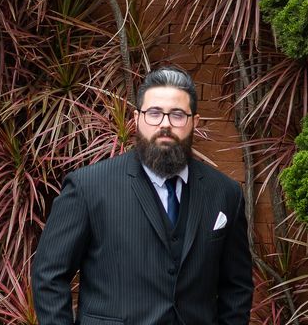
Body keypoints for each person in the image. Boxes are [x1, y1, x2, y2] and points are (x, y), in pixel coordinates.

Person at [32, 66, 253, 324]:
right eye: (154, 113)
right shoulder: (87, 188)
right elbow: (49, 276)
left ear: (195, 121)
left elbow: (237, 287)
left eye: (178, 115)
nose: (165, 125)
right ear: (137, 118)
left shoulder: (225, 193)